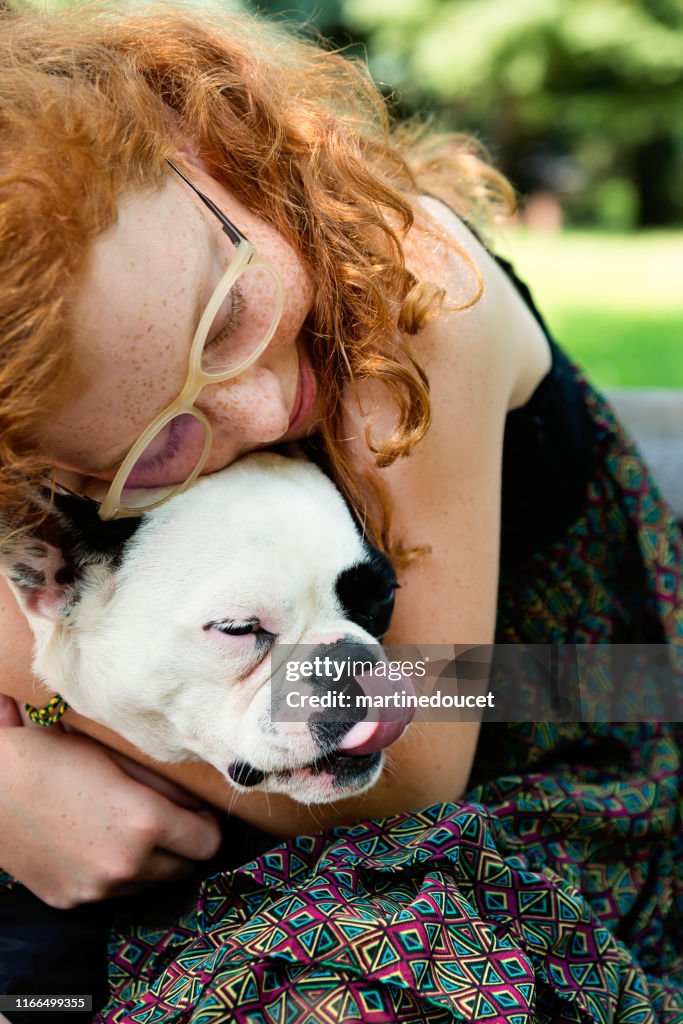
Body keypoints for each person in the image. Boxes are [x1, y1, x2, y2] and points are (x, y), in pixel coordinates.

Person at [0, 5, 680, 1023]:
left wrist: (34, 722)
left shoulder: (411, 298)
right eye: (159, 444)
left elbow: (410, 768)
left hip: (543, 739)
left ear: (193, 136)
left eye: (228, 315)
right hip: (222, 774)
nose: (262, 406)